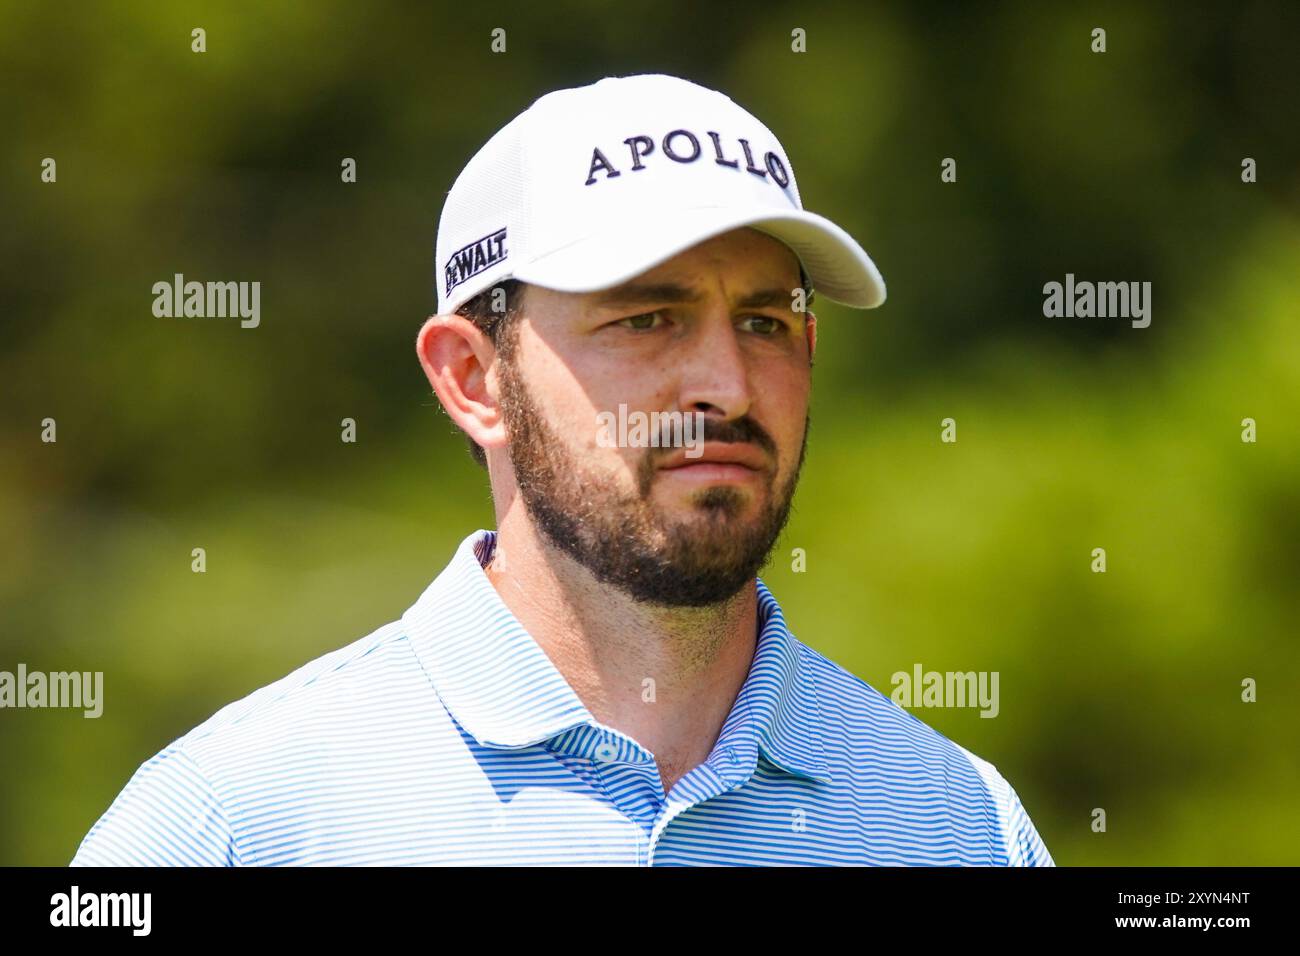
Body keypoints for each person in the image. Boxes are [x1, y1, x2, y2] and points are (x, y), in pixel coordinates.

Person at [71, 73, 1053, 866]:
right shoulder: (231, 822)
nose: (728, 385)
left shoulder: (962, 824)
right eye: (644, 318)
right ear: (473, 378)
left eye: (765, 320)